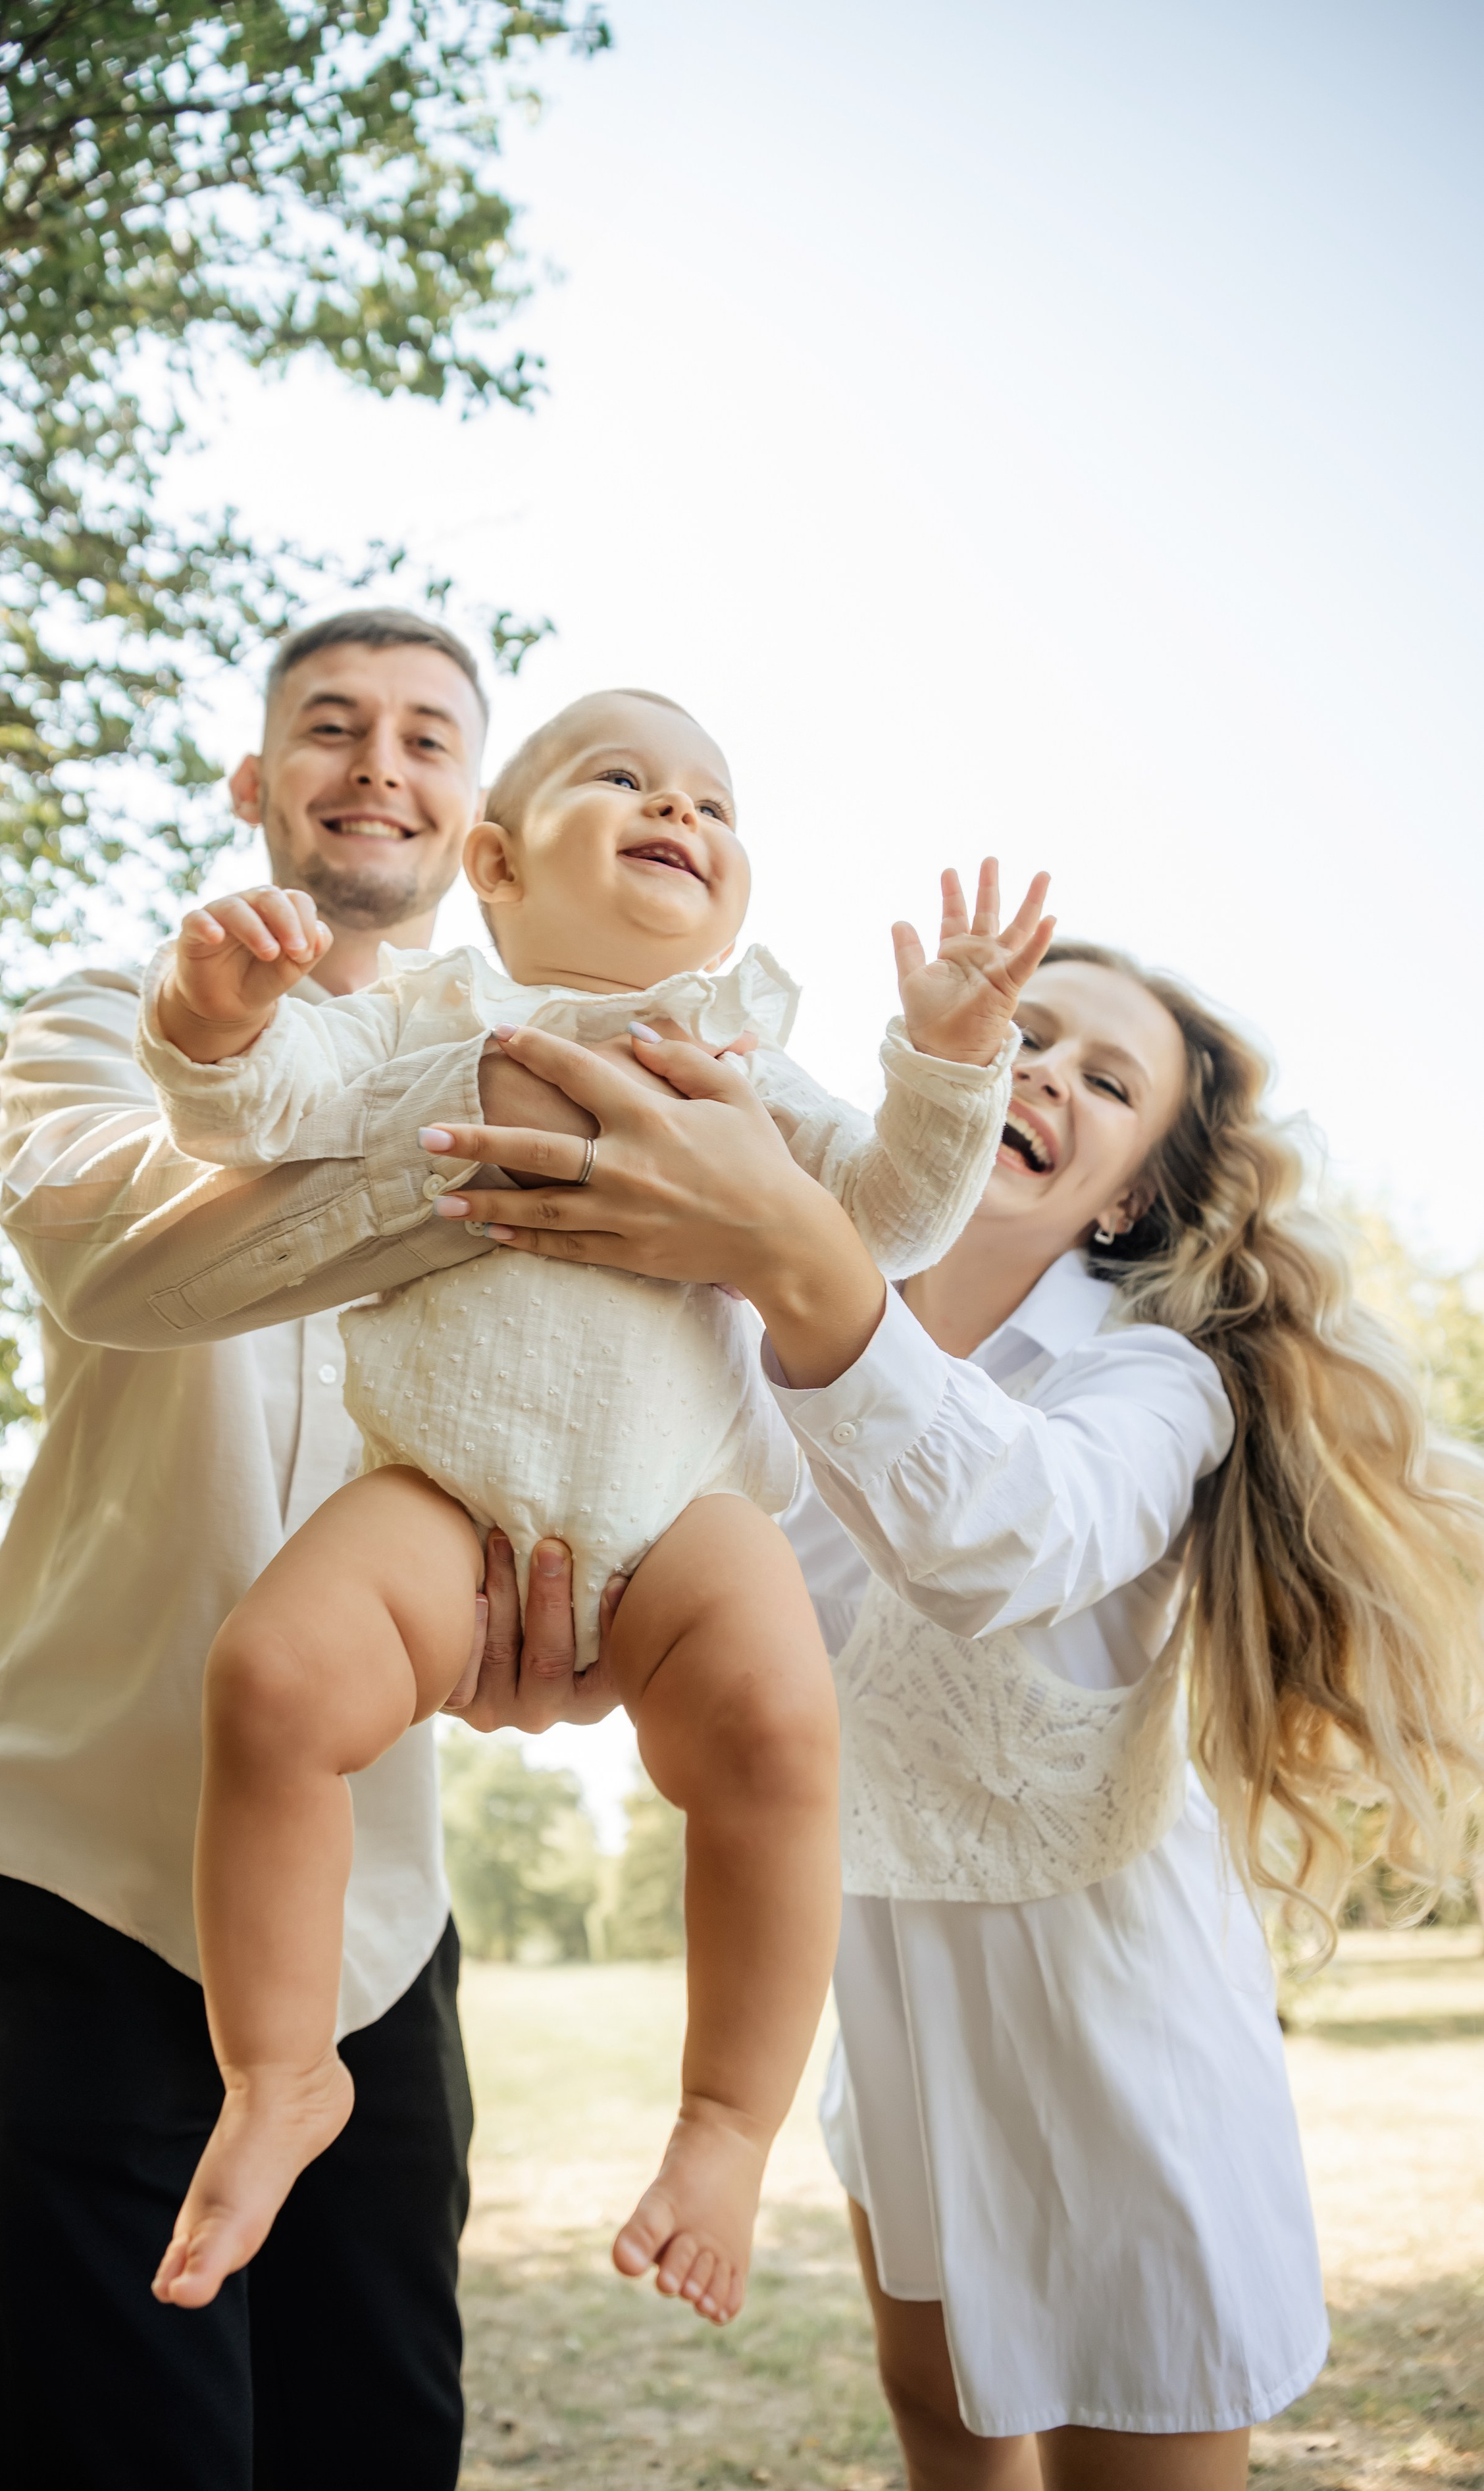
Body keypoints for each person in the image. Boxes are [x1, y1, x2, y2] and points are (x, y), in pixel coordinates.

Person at [413, 915, 1484, 2491]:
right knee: (945, 2440)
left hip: (1119, 2044)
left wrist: (796, 1257)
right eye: (1027, 1035)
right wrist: (537, 1652)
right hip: (886, 2006)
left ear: (1120, 1198)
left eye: (1104, 1080)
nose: (1045, 1072)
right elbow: (673, 1607)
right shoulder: (734, 1344)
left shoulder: (1153, 1381)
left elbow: (1005, 1535)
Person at [133, 688, 1050, 2326]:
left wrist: (947, 1059)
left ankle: (724, 2123)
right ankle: (279, 2070)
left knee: (779, 1731)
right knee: (268, 1681)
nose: (680, 811)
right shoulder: (424, 1012)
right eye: (627, 779)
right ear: (492, 863)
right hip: (437, 1492)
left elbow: (891, 1221)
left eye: (714, 801)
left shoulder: (738, 1053)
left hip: (683, 1510)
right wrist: (213, 1015)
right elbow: (249, 1111)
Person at [0, 607, 608, 2491]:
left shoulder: (541, 1069)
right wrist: (497, 1166)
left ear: (478, 819)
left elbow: (607, 1409)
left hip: (376, 1900)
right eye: (331, 725)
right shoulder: (103, 1019)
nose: (378, 761)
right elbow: (112, 1259)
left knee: (374, 2454)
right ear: (254, 781)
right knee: (104, 2477)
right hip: (83, 1856)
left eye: (428, 735)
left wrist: (578, 1615)